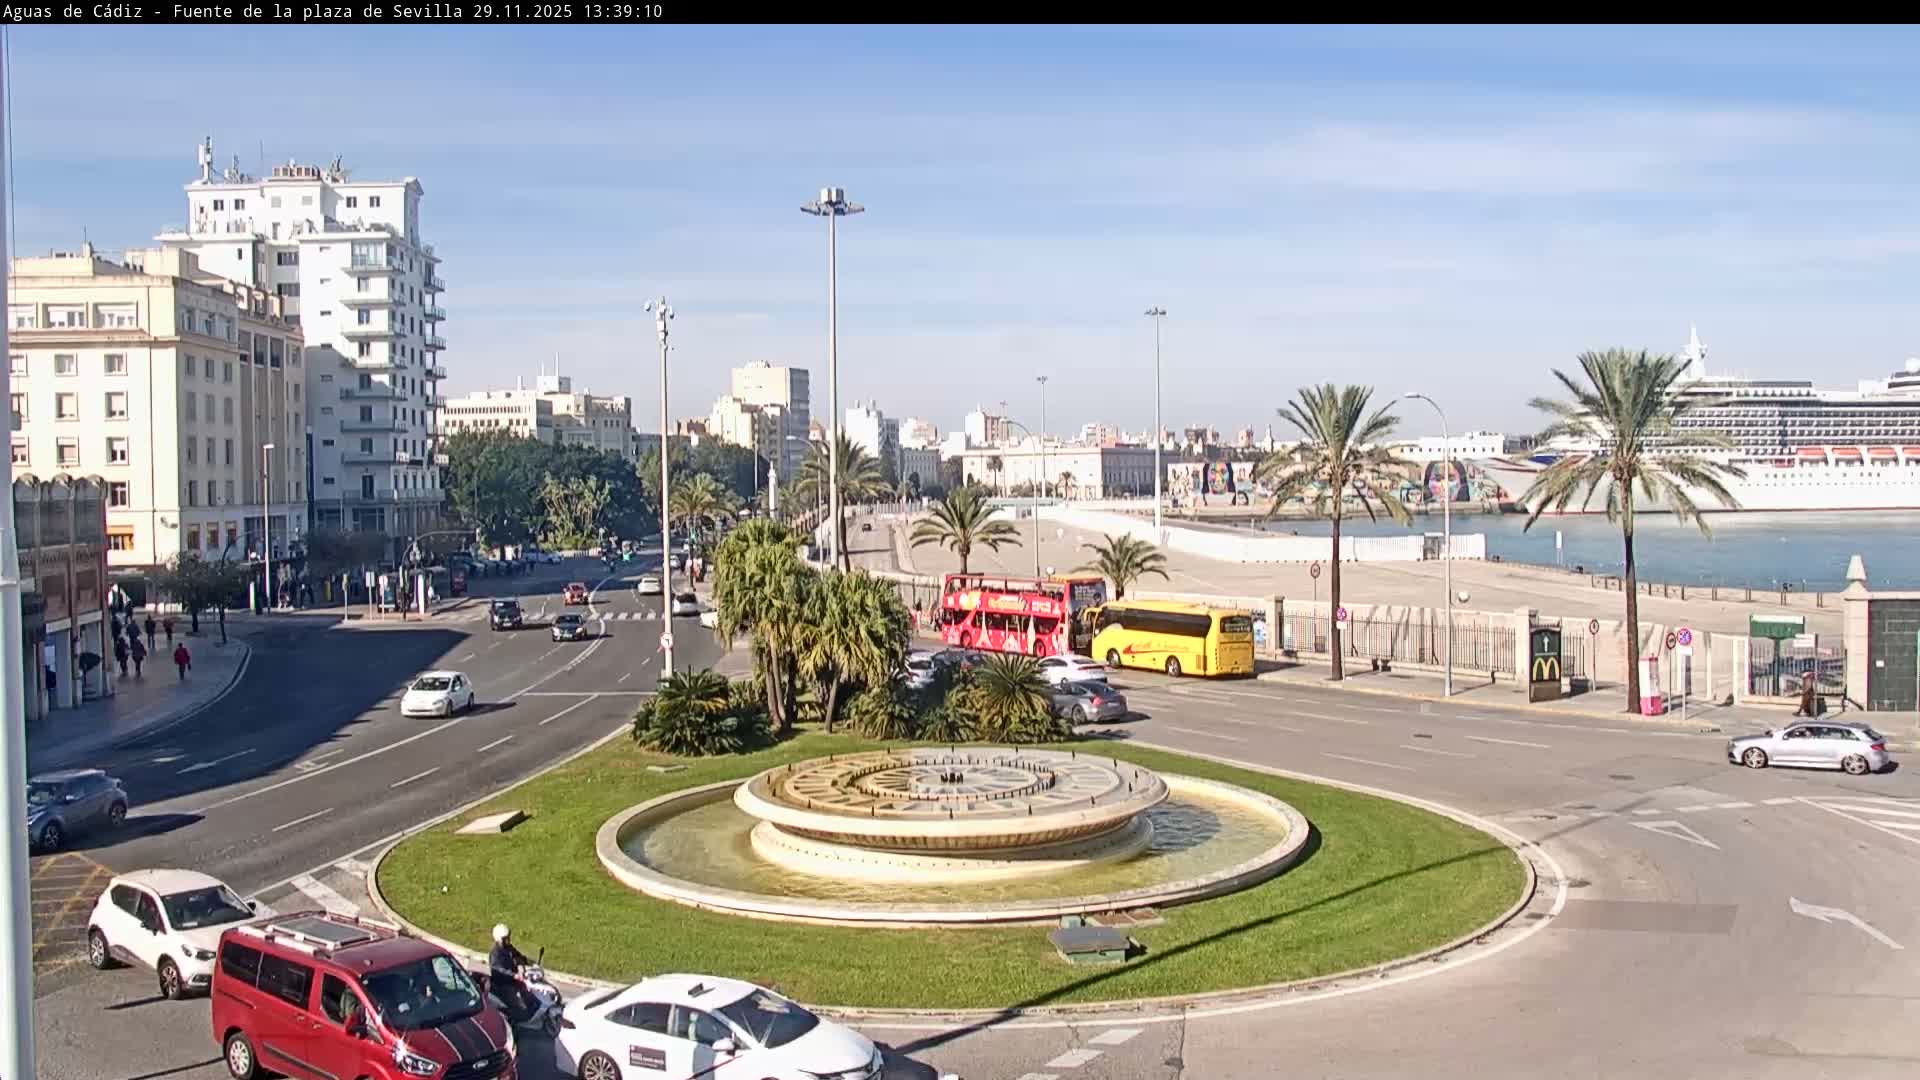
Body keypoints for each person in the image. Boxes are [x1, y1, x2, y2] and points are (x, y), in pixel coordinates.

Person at [488, 924, 531, 1021]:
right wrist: (514, 975)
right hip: (503, 983)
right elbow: (498, 969)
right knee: (516, 1004)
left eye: (508, 937)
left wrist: (523, 963)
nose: (509, 939)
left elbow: (517, 955)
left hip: (513, 979)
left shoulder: (508, 947)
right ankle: (516, 1021)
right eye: (506, 938)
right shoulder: (495, 953)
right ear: (500, 939)